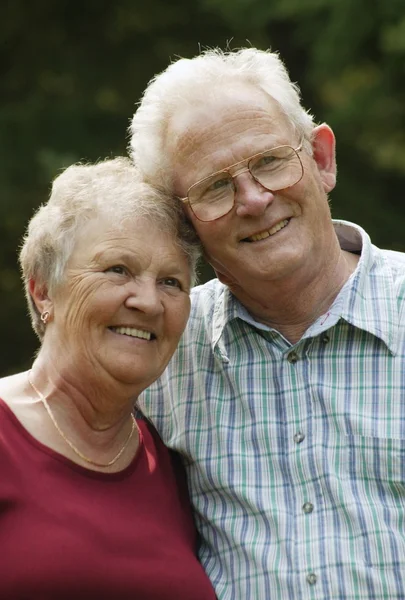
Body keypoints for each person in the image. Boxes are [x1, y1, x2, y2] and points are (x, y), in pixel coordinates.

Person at [130, 48, 405, 599]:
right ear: (183, 224)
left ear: (321, 159)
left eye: (272, 161)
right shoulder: (160, 355)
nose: (254, 199)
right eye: (215, 187)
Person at [0, 157, 218, 600]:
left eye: (172, 282)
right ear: (43, 291)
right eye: (118, 270)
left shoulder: (175, 464)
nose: (148, 302)